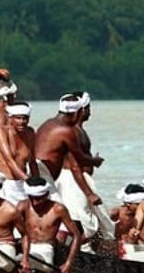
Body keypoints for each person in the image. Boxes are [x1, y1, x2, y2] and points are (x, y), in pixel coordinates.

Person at [34, 92, 108, 243]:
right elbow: (78, 160)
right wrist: (95, 161)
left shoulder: (49, 123)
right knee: (61, 214)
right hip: (44, 175)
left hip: (41, 173)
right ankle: (62, 250)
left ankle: (57, 247)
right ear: (77, 112)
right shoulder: (66, 130)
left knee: (54, 215)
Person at [17, 177, 82, 273]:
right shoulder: (22, 206)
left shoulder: (58, 209)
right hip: (25, 245)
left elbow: (76, 235)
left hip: (45, 247)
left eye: (38, 198)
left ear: (46, 194)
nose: (34, 203)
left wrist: (69, 263)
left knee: (42, 268)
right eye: (31, 198)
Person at [0, 101, 39, 204]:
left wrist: (37, 181)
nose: (22, 122)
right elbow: (9, 160)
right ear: (10, 118)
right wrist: (28, 179)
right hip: (6, 183)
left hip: (23, 182)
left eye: (25, 118)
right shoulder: (2, 132)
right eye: (18, 118)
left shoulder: (30, 132)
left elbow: (32, 162)